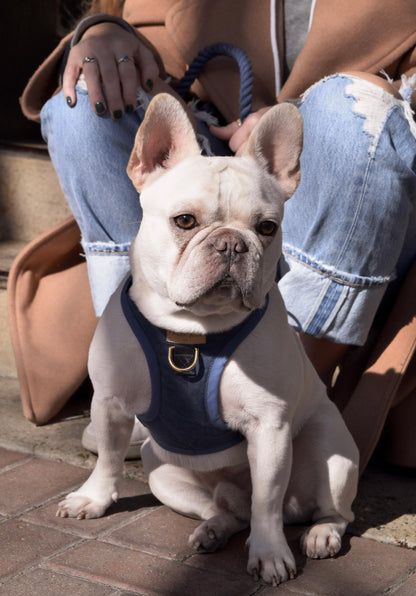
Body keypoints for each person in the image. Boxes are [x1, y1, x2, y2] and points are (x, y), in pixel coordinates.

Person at [21, 0, 416, 451]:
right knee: (84, 102)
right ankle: (135, 367)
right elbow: (154, 41)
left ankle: (290, 386)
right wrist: (104, 31)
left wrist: (301, 114)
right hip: (213, 151)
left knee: (354, 106)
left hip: (358, 197)